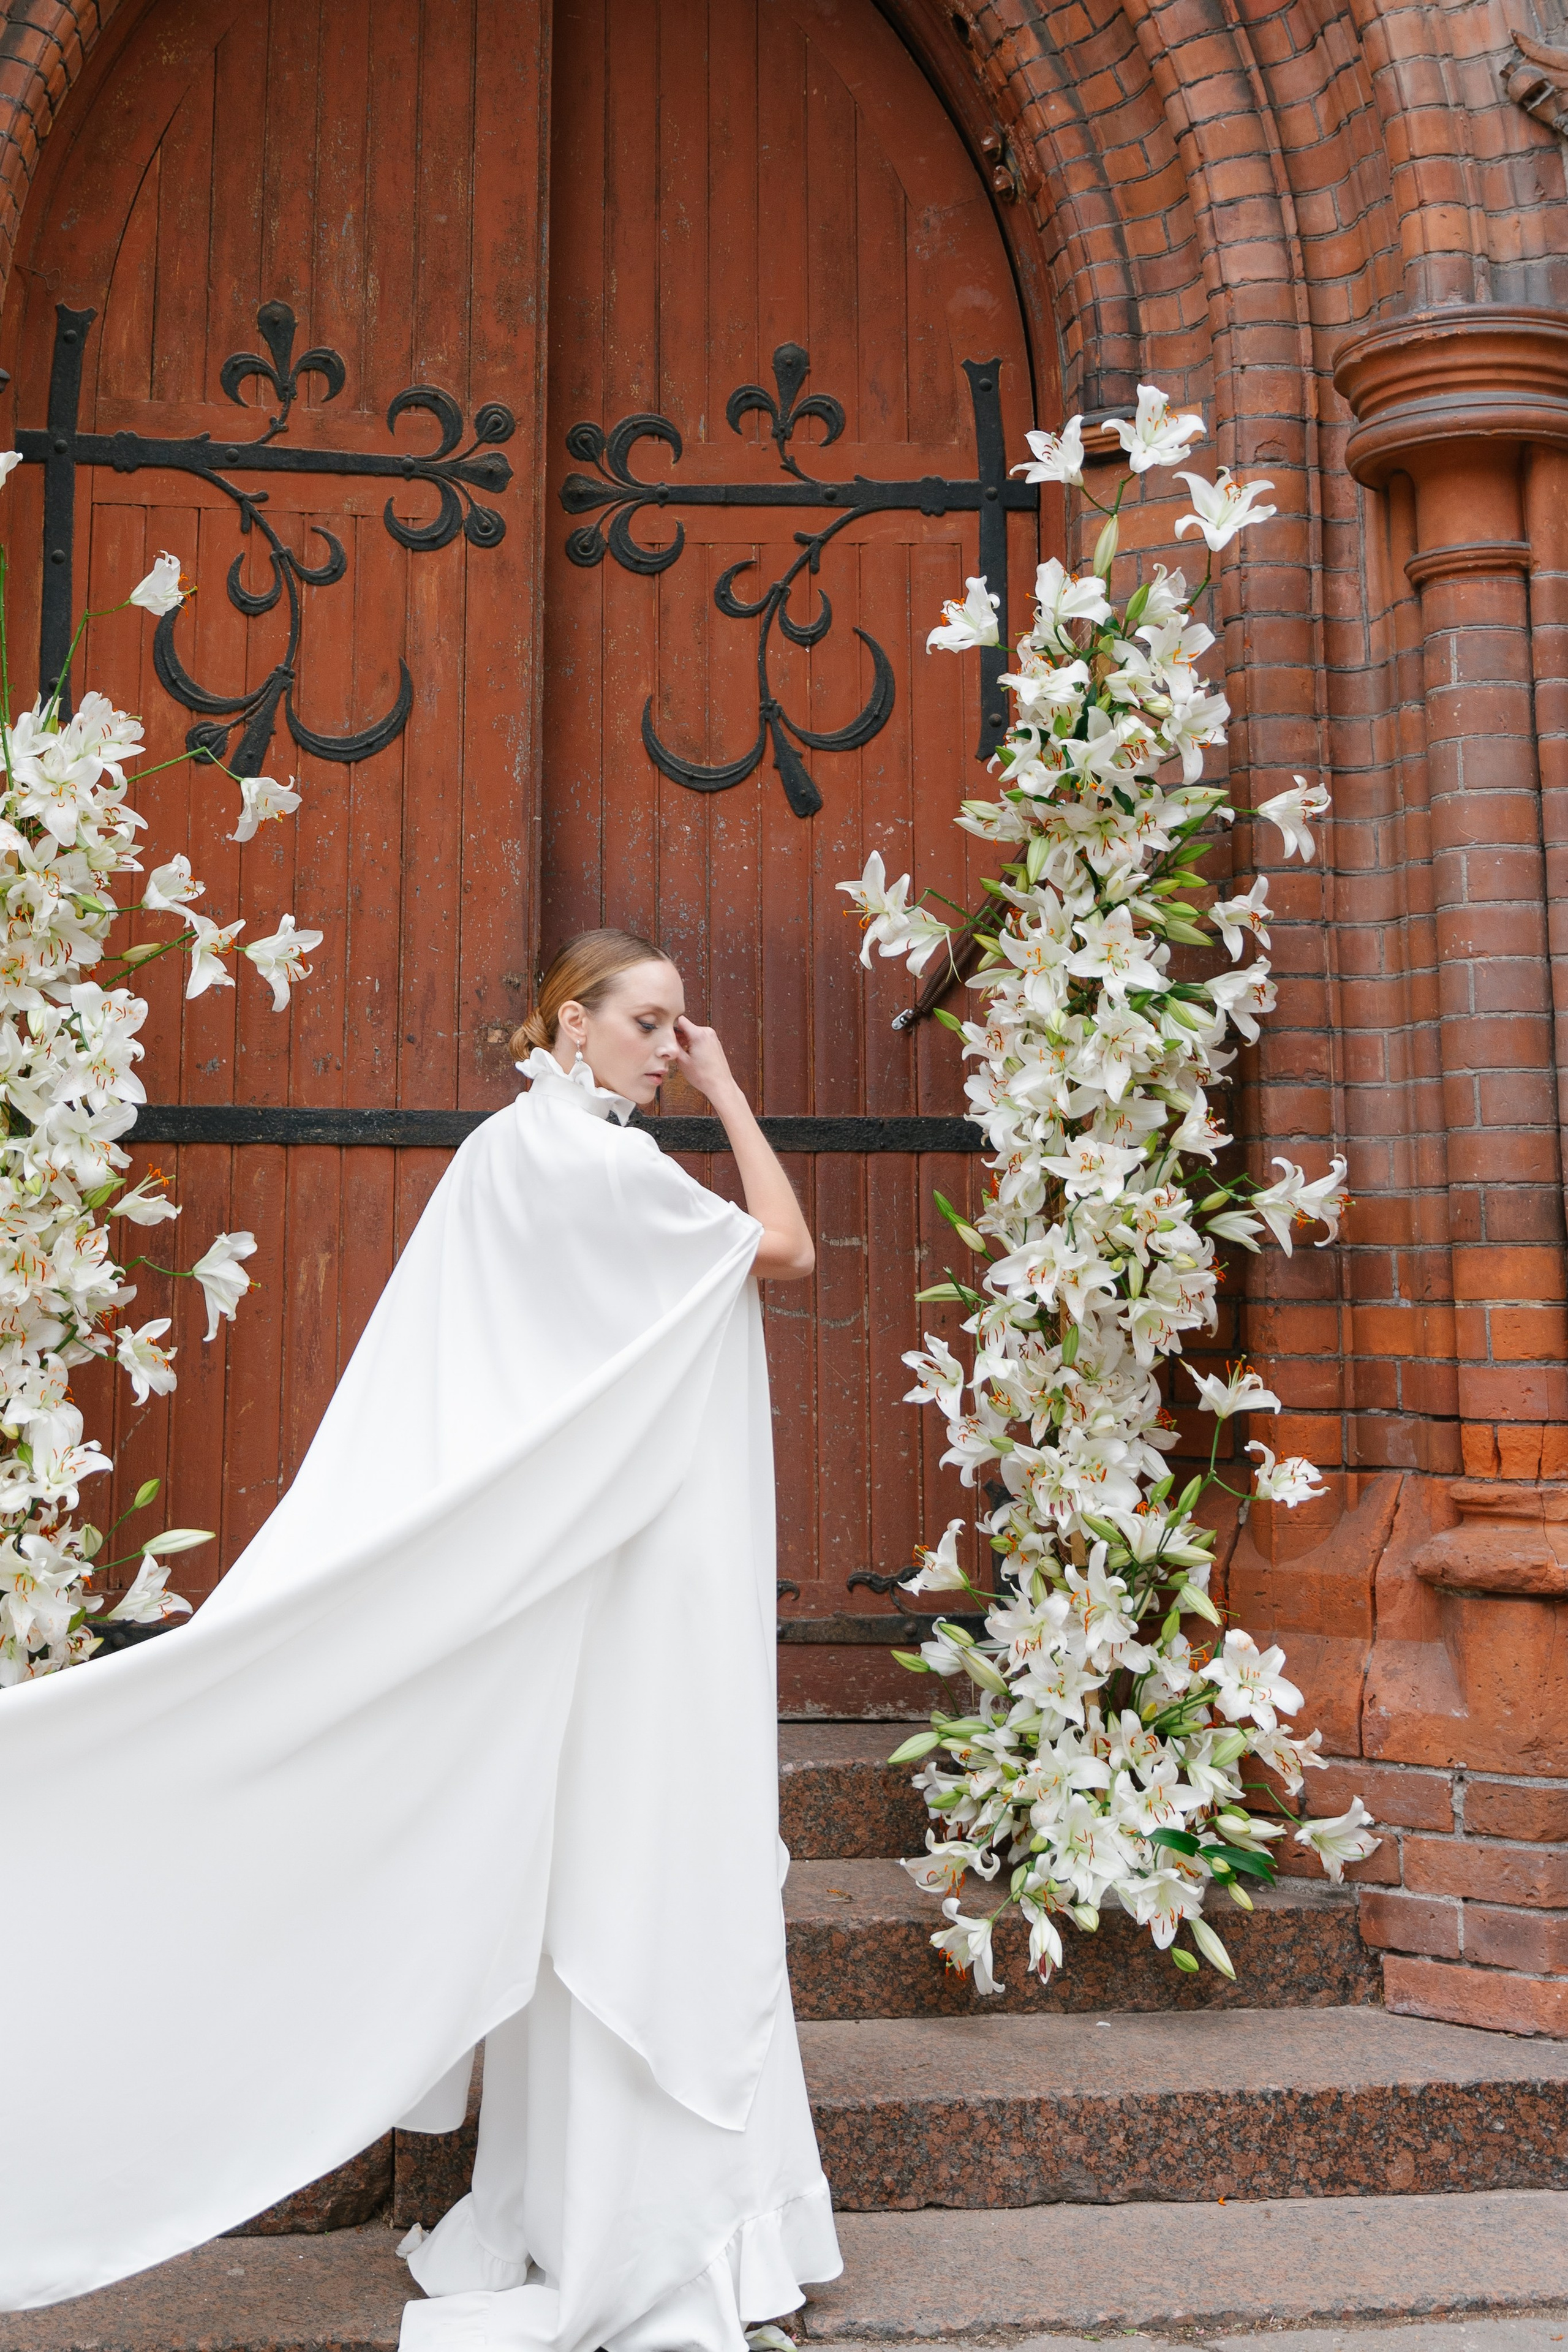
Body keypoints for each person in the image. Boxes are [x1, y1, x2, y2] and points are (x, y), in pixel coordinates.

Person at [0, 928, 842, 2352]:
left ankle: (584, 2208)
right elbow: (789, 1248)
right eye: (646, 1023)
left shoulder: (501, 1156)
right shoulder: (605, 1167)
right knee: (636, 1867)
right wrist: (736, 1096)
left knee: (592, 1874)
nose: (666, 1049)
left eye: (679, 1029)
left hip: (573, 1581)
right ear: (569, 1025)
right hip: (622, 1587)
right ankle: (657, 2229)